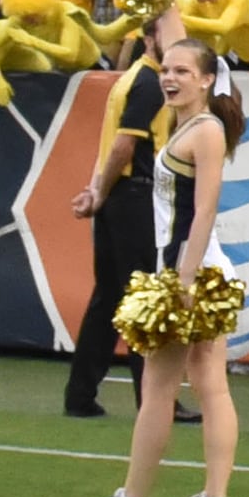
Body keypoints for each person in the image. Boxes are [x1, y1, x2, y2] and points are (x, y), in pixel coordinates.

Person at [89, 40, 243, 497]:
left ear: (207, 80)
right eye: (166, 70)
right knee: (207, 385)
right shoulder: (189, 126)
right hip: (191, 270)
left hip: (190, 272)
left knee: (161, 389)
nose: (170, 78)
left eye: (183, 71)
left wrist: (184, 279)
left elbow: (205, 209)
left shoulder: (206, 130)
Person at [62, 45, 169, 420]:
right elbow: (124, 145)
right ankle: (153, 399)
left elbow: (111, 144)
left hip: (118, 196)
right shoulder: (150, 83)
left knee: (108, 297)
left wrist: (97, 190)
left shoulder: (128, 79)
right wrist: (100, 192)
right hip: (136, 194)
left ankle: (80, 395)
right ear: (153, 38)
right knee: (143, 297)